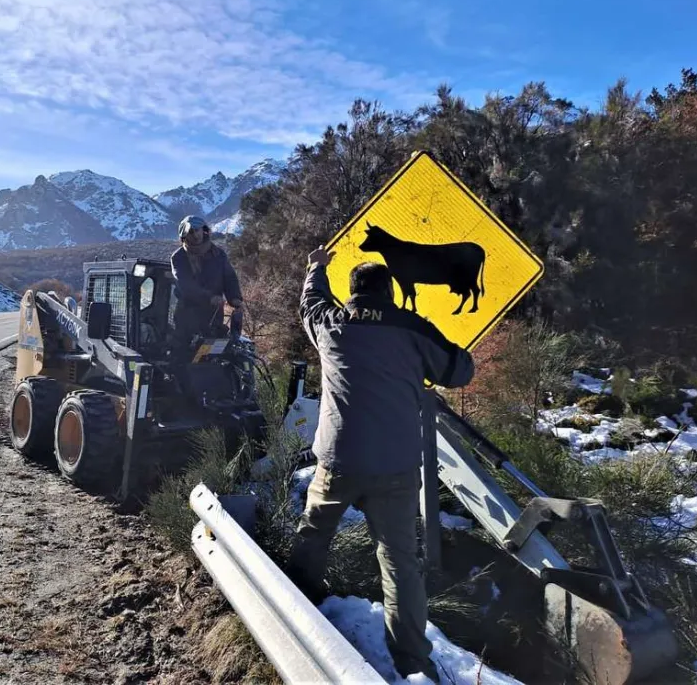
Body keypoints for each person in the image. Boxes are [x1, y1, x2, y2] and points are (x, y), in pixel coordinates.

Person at [284, 245, 475, 684]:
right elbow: (460, 370)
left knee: (313, 536)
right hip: (396, 467)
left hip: (339, 460)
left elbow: (309, 302)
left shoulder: (331, 325)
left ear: (351, 292)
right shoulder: (412, 328)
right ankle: (411, 659)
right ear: (390, 291)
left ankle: (297, 607)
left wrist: (316, 268)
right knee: (400, 562)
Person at [170, 215, 243, 342]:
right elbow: (185, 284)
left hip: (214, 315)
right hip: (187, 315)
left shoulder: (218, 254)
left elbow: (229, 278)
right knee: (184, 354)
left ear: (204, 230)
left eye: (197, 230)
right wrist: (209, 297)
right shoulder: (178, 257)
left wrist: (235, 298)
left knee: (214, 353)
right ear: (184, 236)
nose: (195, 235)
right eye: (190, 232)